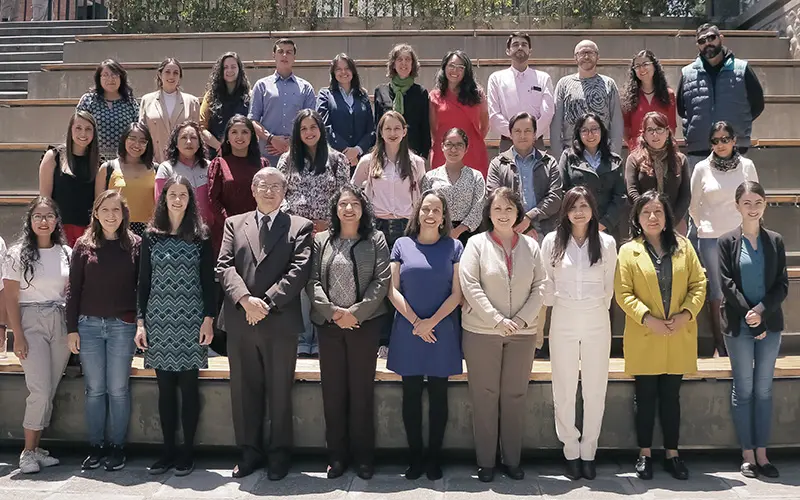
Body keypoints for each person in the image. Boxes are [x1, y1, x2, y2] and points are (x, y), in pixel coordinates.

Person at [216, 167, 313, 481]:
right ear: (253, 190)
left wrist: (267, 302)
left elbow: (299, 270)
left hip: (279, 322)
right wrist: (245, 300)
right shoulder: (234, 223)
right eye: (262, 185)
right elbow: (224, 266)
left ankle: (279, 453)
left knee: (279, 390)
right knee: (244, 389)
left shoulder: (299, 226)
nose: (269, 191)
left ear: (284, 192)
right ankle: (249, 452)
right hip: (241, 320)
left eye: (275, 186)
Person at [615, 190, 707, 481]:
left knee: (671, 396)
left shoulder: (684, 246)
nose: (652, 217)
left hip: (677, 333)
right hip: (645, 334)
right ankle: (644, 453)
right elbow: (623, 292)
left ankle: (672, 452)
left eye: (658, 212)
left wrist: (687, 314)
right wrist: (646, 318)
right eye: (646, 213)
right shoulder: (629, 251)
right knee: (644, 396)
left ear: (667, 217)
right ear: (637, 218)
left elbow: (699, 283)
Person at [459, 187, 546, 483]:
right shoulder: (475, 244)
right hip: (482, 331)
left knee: (514, 396)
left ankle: (512, 460)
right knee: (484, 396)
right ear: (489, 213)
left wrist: (521, 320)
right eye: (497, 209)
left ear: (518, 213)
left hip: (522, 333)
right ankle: (485, 461)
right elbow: (470, 285)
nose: (503, 214)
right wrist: (496, 319)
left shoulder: (531, 246)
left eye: (509, 209)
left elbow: (541, 286)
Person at [307, 185, 391, 480]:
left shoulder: (376, 239)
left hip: (364, 327)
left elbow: (382, 281)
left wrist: (356, 314)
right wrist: (333, 313)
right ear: (336, 209)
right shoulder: (321, 240)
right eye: (343, 204)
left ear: (363, 208)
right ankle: (337, 457)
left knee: (361, 391)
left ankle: (364, 457)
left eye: (354, 204)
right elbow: (312, 281)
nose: (348, 209)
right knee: (333, 392)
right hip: (329, 328)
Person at [136, 175, 215, 477]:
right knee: (165, 391)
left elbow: (209, 282)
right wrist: (141, 323)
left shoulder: (200, 235)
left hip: (191, 320)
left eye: (184, 194)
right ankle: (167, 450)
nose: (178, 199)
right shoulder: (151, 235)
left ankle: (187, 452)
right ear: (164, 197)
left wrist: (208, 318)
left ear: (190, 199)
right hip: (159, 320)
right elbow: (143, 283)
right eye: (173, 194)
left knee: (189, 388)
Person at [541, 187, 617, 481]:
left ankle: (589, 451)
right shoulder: (552, 241)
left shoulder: (607, 243)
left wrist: (595, 306)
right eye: (574, 207)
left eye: (584, 206)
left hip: (596, 317)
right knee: (564, 385)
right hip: (564, 315)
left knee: (596, 387)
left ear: (592, 209)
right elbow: (546, 282)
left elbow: (609, 285)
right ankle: (571, 450)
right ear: (566, 211)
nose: (579, 212)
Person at [387, 190, 463, 481]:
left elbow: (457, 294)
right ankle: (415, 457)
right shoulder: (401, 244)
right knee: (411, 394)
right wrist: (417, 322)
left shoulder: (454, 247)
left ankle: (434, 458)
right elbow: (392, 290)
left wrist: (431, 322)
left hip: (442, 329)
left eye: (436, 210)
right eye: (425, 209)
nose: (430, 215)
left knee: (439, 396)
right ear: (417, 213)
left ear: (444, 216)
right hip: (408, 329)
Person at [66, 190, 140, 472]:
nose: (111, 216)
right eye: (105, 210)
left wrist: (139, 324)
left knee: (118, 389)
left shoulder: (136, 245)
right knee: (95, 390)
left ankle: (117, 447)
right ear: (96, 213)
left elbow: (141, 288)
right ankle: (96, 445)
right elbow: (73, 291)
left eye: (116, 211)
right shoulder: (83, 246)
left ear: (124, 215)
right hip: (89, 326)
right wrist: (71, 329)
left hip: (122, 326)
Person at [719, 181, 788, 479]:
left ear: (765, 205)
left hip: (769, 323)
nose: (753, 208)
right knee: (744, 389)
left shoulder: (775, 241)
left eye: (757, 202)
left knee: (764, 389)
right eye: (747, 203)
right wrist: (749, 315)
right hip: (738, 324)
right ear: (737, 206)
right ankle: (747, 454)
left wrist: (761, 313)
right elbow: (726, 283)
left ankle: (763, 452)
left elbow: (781, 285)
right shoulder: (726, 241)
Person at [3, 197, 72, 474]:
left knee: (49, 389)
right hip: (30, 320)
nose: (43, 221)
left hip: (61, 321)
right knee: (39, 389)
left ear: (56, 221)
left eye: (49, 216)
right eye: (37, 217)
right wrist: (16, 335)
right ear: (29, 221)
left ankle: (38, 447)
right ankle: (27, 452)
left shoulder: (66, 252)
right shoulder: (17, 253)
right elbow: (9, 298)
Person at [276, 109, 350, 358]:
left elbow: (345, 196)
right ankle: (303, 337)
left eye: (313, 127)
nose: (309, 133)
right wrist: (298, 221)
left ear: (321, 130)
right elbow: (280, 196)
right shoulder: (287, 160)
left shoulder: (338, 159)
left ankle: (321, 337)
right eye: (304, 128)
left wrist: (329, 223)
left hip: (328, 233)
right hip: (295, 233)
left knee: (324, 283)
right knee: (300, 283)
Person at [690, 121, 759, 357]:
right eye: (715, 140)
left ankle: (745, 339)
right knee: (717, 292)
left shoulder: (747, 166)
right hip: (711, 238)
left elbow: (755, 199)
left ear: (734, 140)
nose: (720, 144)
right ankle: (721, 345)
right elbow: (693, 206)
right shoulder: (701, 168)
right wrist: (705, 227)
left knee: (744, 287)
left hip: (741, 236)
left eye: (725, 139)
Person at [678, 24, 765, 166]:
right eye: (702, 41)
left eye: (711, 37)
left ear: (721, 38)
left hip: (735, 148)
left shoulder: (742, 69)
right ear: (698, 45)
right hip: (700, 150)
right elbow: (682, 109)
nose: (707, 43)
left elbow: (757, 104)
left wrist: (740, 123)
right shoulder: (687, 73)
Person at [352, 111, 427, 251]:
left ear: (404, 131)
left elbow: (422, 195)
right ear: (380, 132)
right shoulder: (368, 161)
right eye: (388, 128)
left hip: (406, 225)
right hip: (376, 225)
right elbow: (353, 191)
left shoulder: (416, 163)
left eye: (397, 128)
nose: (393, 133)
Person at [487, 112, 562, 242]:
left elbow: (555, 197)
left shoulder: (549, 162)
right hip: (510, 228)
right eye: (517, 131)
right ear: (510, 135)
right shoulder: (498, 164)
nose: (522, 135)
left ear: (535, 135)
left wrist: (529, 217)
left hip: (545, 229)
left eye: (527, 131)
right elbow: (494, 197)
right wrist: (520, 224)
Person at [208, 114, 270, 257]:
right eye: (234, 132)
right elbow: (213, 200)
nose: (239, 136)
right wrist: (232, 225)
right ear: (228, 137)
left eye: (244, 132)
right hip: (226, 232)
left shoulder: (263, 164)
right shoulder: (219, 164)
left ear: (252, 136)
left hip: (257, 231)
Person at [249, 38, 317, 167]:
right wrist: (272, 139)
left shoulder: (306, 87)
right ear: (274, 55)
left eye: (289, 52)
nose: (284, 55)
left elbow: (312, 122)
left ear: (294, 57)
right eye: (281, 51)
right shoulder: (262, 85)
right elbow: (253, 120)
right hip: (267, 156)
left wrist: (291, 143)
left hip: (297, 155)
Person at [550, 40, 623, 159]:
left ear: (598, 57)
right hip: (572, 152)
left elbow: (616, 123)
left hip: (602, 153)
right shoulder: (564, 84)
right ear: (575, 58)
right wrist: (559, 157)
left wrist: (613, 155)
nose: (586, 56)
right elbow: (556, 124)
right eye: (582, 53)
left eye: (591, 53)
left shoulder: (609, 83)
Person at [557, 113, 626, 237]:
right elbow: (562, 191)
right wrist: (578, 220)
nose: (590, 134)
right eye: (584, 130)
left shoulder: (615, 160)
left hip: (608, 228)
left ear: (602, 131)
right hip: (576, 225)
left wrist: (605, 223)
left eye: (595, 129)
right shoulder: (568, 157)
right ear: (578, 133)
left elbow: (620, 197)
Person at [38, 111, 100, 246]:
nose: (83, 134)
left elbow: (99, 202)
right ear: (70, 130)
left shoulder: (99, 163)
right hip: (59, 230)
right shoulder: (53, 157)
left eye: (88, 129)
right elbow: (45, 199)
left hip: (87, 232)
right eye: (78, 128)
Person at [487, 31, 555, 152]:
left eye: (524, 45)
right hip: (508, 141)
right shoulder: (496, 79)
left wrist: (530, 135)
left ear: (530, 51)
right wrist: (514, 134)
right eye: (515, 44)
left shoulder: (543, 78)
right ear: (508, 51)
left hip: (536, 141)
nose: (520, 47)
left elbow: (547, 113)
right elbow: (494, 114)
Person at [429, 50, 490, 178]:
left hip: (472, 152)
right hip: (444, 153)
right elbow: (433, 130)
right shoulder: (434, 96)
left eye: (460, 67)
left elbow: (484, 125)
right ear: (444, 67)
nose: (455, 71)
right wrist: (449, 145)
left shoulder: (477, 95)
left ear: (466, 71)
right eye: (451, 66)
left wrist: (470, 143)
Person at [625, 111, 691, 228]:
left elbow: (685, 195)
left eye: (659, 129)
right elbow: (631, 191)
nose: (655, 134)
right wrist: (647, 215)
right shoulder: (634, 159)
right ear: (644, 134)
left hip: (674, 224)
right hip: (643, 222)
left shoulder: (680, 160)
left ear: (667, 132)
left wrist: (670, 221)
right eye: (650, 130)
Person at [421, 128, 485, 246]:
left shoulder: (476, 176)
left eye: (459, 145)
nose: (453, 149)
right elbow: (424, 207)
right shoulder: (430, 177)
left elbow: (478, 207)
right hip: (436, 232)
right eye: (449, 144)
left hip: (468, 235)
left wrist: (458, 230)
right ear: (442, 147)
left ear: (466, 148)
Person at [316, 53, 375, 173]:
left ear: (353, 71)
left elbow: (371, 130)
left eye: (347, 68)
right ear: (333, 73)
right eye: (339, 69)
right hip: (334, 159)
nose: (343, 72)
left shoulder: (362, 96)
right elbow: (324, 127)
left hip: (360, 160)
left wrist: (357, 150)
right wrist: (345, 151)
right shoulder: (325, 95)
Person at [96, 122, 158, 236]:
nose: (137, 144)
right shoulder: (108, 168)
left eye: (142, 141)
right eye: (132, 139)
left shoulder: (157, 169)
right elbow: (98, 206)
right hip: (116, 229)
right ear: (124, 139)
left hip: (149, 231)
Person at [138, 58, 201, 164]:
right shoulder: (147, 100)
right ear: (160, 74)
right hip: (154, 162)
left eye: (175, 73)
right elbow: (142, 132)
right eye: (167, 72)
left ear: (179, 77)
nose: (171, 76)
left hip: (183, 162)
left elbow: (197, 134)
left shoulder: (191, 102)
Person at [373, 44, 431, 158]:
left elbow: (424, 126)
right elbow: (377, 126)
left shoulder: (421, 92)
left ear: (412, 65)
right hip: (386, 153)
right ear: (393, 64)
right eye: (399, 59)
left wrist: (423, 155)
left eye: (408, 60)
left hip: (413, 153)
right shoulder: (380, 91)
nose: (404, 63)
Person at [76, 59, 140, 161]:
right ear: (99, 78)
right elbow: (77, 128)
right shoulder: (88, 100)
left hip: (123, 160)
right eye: (105, 75)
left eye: (114, 75)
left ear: (121, 77)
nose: (110, 79)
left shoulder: (130, 103)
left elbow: (138, 130)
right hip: (93, 159)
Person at [155, 121, 212, 224]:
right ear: (176, 143)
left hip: (207, 230)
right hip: (177, 230)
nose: (189, 142)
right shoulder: (166, 168)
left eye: (194, 138)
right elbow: (160, 203)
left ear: (200, 143)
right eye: (183, 137)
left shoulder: (210, 167)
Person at [621, 50, 677, 152]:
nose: (641, 69)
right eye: (637, 66)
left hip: (663, 153)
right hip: (638, 153)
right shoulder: (628, 97)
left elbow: (671, 127)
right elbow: (625, 128)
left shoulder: (668, 95)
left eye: (645, 64)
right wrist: (634, 147)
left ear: (654, 66)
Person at [199, 52, 251, 158]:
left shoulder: (250, 96)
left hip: (244, 154)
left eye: (233, 67)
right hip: (216, 154)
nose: (229, 70)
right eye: (225, 67)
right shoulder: (210, 96)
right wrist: (220, 147)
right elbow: (202, 127)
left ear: (239, 70)